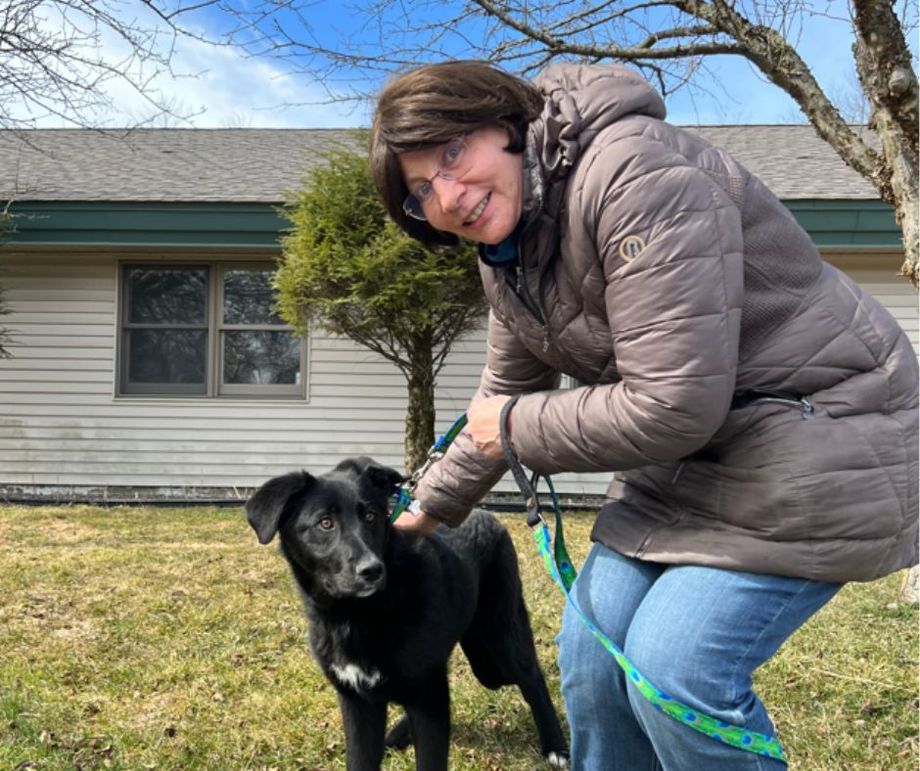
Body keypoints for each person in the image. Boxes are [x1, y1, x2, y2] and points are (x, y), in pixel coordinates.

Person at [369, 60, 919, 770]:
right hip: (691, 461)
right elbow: (503, 393)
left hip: (823, 431)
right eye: (421, 191)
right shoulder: (506, 254)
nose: (449, 193)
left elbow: (672, 403)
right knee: (590, 655)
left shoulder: (636, 175)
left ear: (503, 122)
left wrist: (513, 425)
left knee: (671, 669)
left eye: (451, 152)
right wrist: (420, 514)